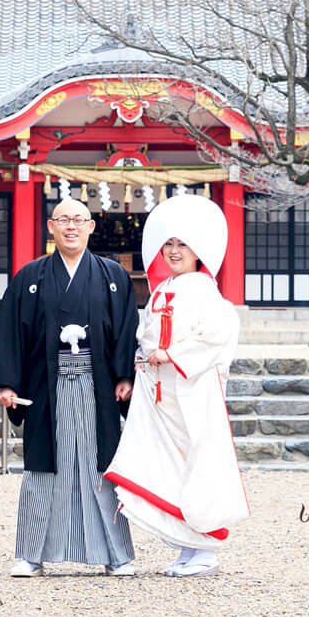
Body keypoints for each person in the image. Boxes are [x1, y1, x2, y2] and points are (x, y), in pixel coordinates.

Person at [0, 197, 138, 577]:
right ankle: (31, 553)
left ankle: (117, 554)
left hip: (98, 386)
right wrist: (7, 383)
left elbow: (127, 330)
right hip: (45, 386)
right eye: (63, 219)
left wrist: (125, 376)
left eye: (79, 220)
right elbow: (11, 334)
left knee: (102, 466)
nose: (71, 227)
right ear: (50, 226)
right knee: (43, 467)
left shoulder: (113, 277)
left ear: (91, 227)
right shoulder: (30, 278)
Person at [104, 194, 250, 577]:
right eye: (168, 243)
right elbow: (148, 335)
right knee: (165, 463)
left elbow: (219, 334)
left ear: (197, 249)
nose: (173, 250)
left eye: (182, 244)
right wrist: (144, 360)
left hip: (191, 391)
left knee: (193, 461)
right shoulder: (162, 289)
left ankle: (205, 548)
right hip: (160, 393)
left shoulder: (205, 291)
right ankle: (187, 547)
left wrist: (173, 355)